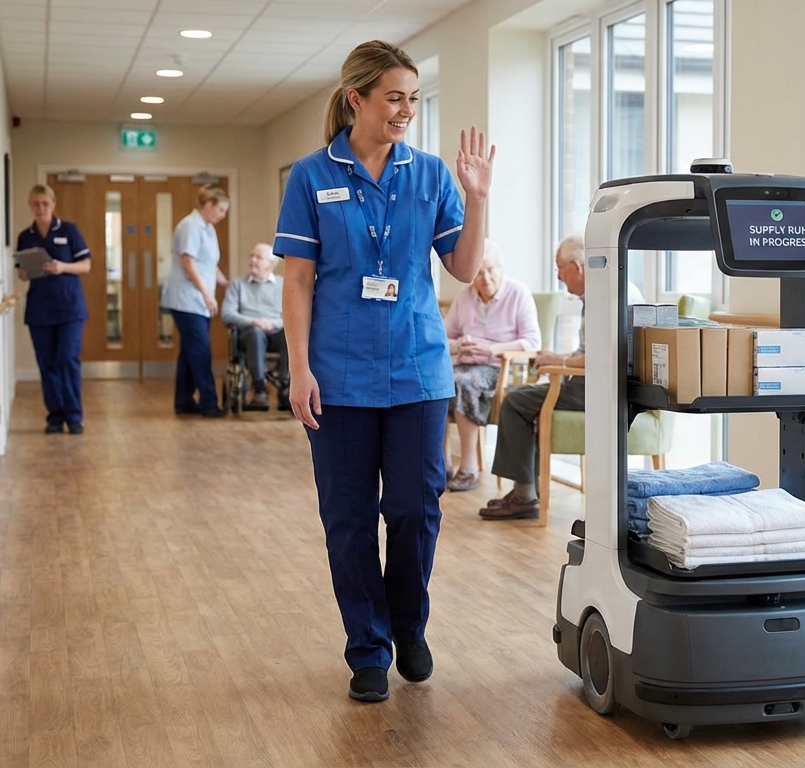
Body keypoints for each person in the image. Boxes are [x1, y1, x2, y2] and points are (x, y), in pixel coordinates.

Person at [274, 39, 495, 704]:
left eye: (413, 99)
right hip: (337, 377)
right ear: (357, 100)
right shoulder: (312, 175)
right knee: (347, 517)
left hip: (418, 373)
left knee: (414, 509)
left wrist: (476, 197)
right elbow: (299, 281)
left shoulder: (428, 174)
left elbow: (460, 267)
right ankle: (367, 647)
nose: (405, 110)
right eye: (393, 97)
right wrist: (298, 370)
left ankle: (409, 625)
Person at [481, 235, 592, 520]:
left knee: (516, 401)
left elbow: (601, 359)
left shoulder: (603, 300)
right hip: (589, 382)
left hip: (594, 389)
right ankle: (525, 492)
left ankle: (524, 496)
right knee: (524, 399)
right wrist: (559, 358)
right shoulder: (597, 296)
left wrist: (561, 360)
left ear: (578, 267)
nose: (558, 275)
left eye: (560, 268)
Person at [443, 239, 541, 492]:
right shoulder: (464, 298)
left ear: (501, 268)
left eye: (490, 270)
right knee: (437, 383)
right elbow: (443, 337)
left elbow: (532, 343)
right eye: (478, 272)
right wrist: (459, 345)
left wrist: (490, 349)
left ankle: (468, 468)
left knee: (464, 382)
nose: (485, 278)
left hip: (503, 369)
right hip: (465, 365)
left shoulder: (518, 293)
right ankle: (441, 464)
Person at [16, 184, 91, 435]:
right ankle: (55, 417)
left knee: (67, 360)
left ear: (53, 204)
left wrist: (62, 266)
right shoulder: (25, 236)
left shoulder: (69, 230)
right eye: (36, 204)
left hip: (69, 308)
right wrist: (26, 272)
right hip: (40, 309)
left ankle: (74, 416)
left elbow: (86, 265)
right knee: (47, 363)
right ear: (30, 206)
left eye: (45, 203)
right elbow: (22, 273)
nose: (41, 208)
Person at [162, 185, 230, 417]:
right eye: (220, 210)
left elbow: (209, 264)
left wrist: (228, 285)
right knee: (200, 351)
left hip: (198, 302)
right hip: (187, 301)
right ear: (208, 205)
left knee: (189, 352)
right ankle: (209, 403)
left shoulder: (208, 228)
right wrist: (207, 295)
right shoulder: (190, 226)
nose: (223, 215)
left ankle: (183, 401)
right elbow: (188, 263)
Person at [222, 244, 289, 411]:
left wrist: (274, 323)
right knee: (256, 333)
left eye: (258, 257)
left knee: (291, 334)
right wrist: (254, 321)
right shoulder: (238, 285)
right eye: (251, 256)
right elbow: (227, 314)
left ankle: (286, 386)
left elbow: (293, 314)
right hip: (249, 334)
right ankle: (259, 389)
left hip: (277, 331)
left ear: (271, 264)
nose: (252, 260)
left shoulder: (283, 284)